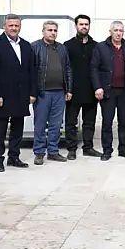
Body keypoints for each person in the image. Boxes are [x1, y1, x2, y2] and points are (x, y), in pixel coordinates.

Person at [0, 14, 37, 172]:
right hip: (3, 95)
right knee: (0, 129)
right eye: (11, 25)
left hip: (22, 94)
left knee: (18, 127)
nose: (14, 28)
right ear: (5, 26)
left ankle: (14, 157)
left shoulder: (26, 45)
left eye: (16, 25)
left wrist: (32, 92)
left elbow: (31, 70)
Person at [91, 21, 125, 161]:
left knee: (123, 122)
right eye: (116, 30)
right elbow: (94, 68)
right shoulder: (101, 47)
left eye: (121, 31)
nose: (118, 33)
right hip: (107, 91)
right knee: (107, 122)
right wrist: (97, 87)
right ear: (110, 31)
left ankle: (123, 149)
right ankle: (107, 150)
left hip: (124, 92)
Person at [31, 21, 72, 165]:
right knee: (40, 124)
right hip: (42, 93)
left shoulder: (61, 48)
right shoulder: (35, 47)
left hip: (59, 92)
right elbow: (30, 71)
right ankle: (39, 152)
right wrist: (32, 92)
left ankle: (53, 151)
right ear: (43, 31)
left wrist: (69, 89)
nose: (53, 33)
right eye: (50, 30)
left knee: (56, 124)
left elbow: (68, 69)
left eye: (55, 30)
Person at [63, 14, 102, 159]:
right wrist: (67, 89)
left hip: (91, 90)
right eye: (81, 24)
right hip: (73, 91)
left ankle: (88, 147)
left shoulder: (96, 46)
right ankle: (71, 149)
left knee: (89, 122)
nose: (84, 27)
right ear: (76, 26)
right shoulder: (67, 45)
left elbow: (99, 68)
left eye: (86, 24)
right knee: (71, 122)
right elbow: (65, 69)